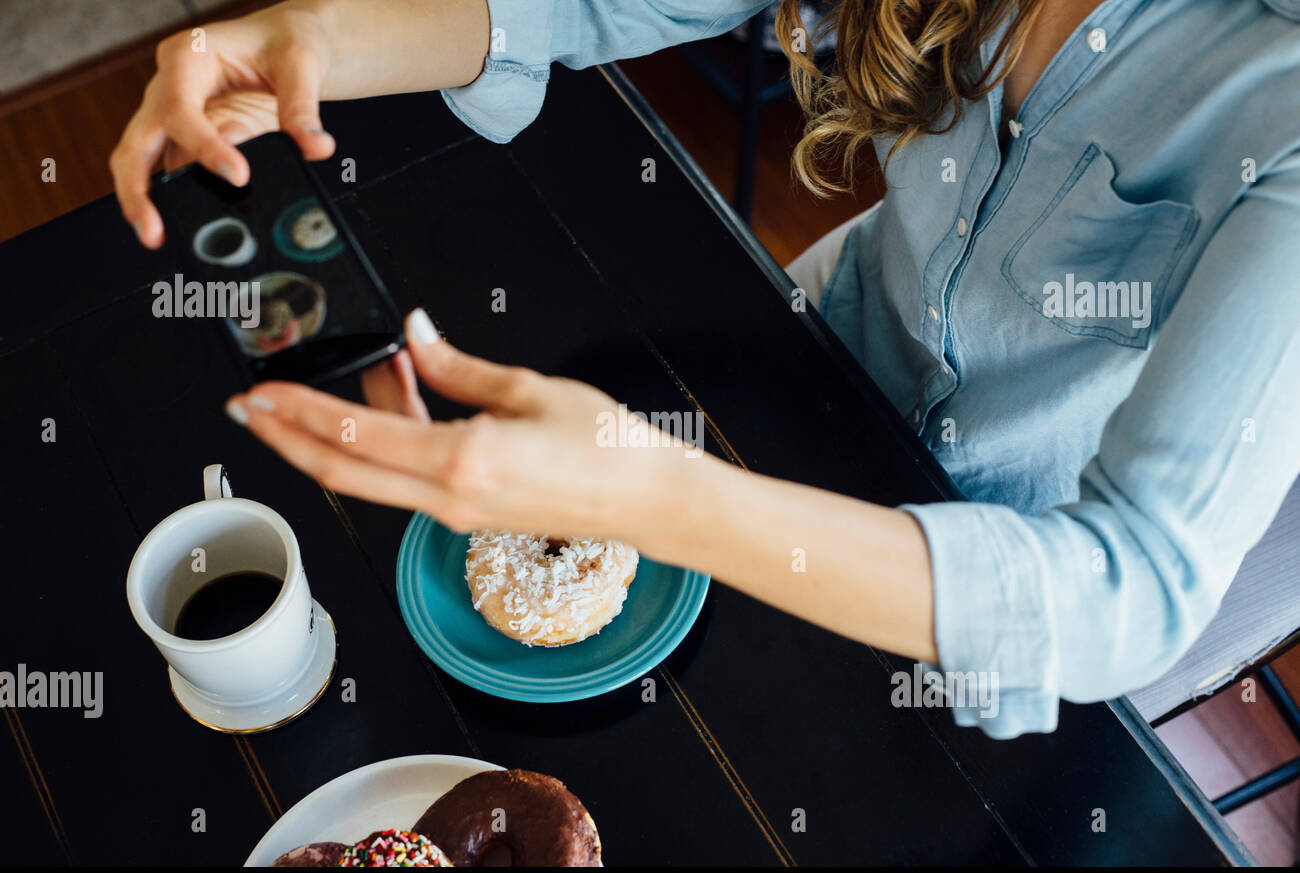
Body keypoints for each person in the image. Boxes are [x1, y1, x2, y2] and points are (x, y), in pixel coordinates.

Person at [111, 0, 1300, 737]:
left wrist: (646, 494)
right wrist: (320, 32)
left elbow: (1131, 585)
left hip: (985, 562)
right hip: (807, 357)